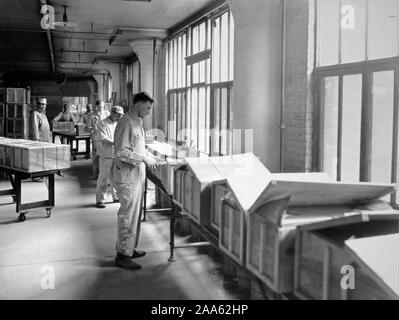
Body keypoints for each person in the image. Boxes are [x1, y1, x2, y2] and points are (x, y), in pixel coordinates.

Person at [113, 92, 159, 270]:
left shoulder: (137, 122)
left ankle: (129, 249)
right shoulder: (126, 122)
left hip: (136, 175)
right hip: (127, 177)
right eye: (147, 108)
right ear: (138, 105)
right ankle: (122, 255)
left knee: (135, 215)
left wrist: (149, 156)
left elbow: (137, 147)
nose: (149, 112)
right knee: (127, 216)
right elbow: (121, 152)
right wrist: (143, 159)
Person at [95, 106, 124, 208]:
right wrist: (117, 143)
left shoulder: (117, 124)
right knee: (103, 177)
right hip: (106, 155)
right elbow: (104, 140)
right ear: (113, 113)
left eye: (121, 116)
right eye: (118, 116)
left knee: (115, 177)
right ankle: (100, 200)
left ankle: (115, 197)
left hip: (116, 154)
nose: (119, 118)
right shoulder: (102, 123)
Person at [89, 100, 110, 179]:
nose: (100, 109)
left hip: (106, 138)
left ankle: (104, 175)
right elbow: (88, 127)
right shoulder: (92, 115)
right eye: (98, 107)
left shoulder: (107, 114)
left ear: (103, 106)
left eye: (101, 107)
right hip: (96, 138)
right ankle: (95, 175)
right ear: (96, 107)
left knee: (105, 155)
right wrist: (92, 129)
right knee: (96, 156)